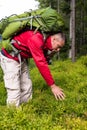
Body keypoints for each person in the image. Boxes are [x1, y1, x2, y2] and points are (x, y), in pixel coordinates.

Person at [0, 30, 65, 107]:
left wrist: (50, 54)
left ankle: (25, 108)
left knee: (27, 86)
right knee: (14, 87)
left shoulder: (45, 41)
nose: (58, 50)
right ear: (54, 39)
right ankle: (12, 114)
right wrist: (53, 86)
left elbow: (44, 59)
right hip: (10, 57)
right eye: (58, 46)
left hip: (21, 58)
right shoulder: (36, 38)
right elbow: (41, 63)